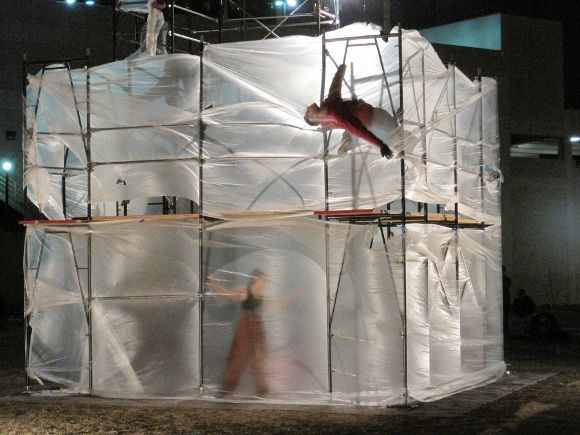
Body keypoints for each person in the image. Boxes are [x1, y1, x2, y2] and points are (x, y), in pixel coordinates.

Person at [304, 64, 399, 159]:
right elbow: (358, 129)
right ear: (313, 118)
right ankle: (348, 142)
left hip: (362, 117)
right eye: (308, 111)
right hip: (370, 116)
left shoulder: (328, 107)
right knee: (394, 131)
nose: (308, 107)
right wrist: (380, 145)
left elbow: (334, 88)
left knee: (349, 131)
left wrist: (340, 71)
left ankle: (347, 141)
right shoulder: (334, 114)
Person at [206, 270, 269, 397]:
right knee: (239, 357)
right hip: (246, 325)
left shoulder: (261, 295)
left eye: (266, 280)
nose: (265, 282)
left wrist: (292, 300)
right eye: (264, 279)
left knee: (259, 358)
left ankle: (262, 391)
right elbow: (224, 293)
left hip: (257, 326)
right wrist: (212, 283)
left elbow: (277, 304)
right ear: (256, 279)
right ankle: (227, 390)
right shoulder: (244, 291)